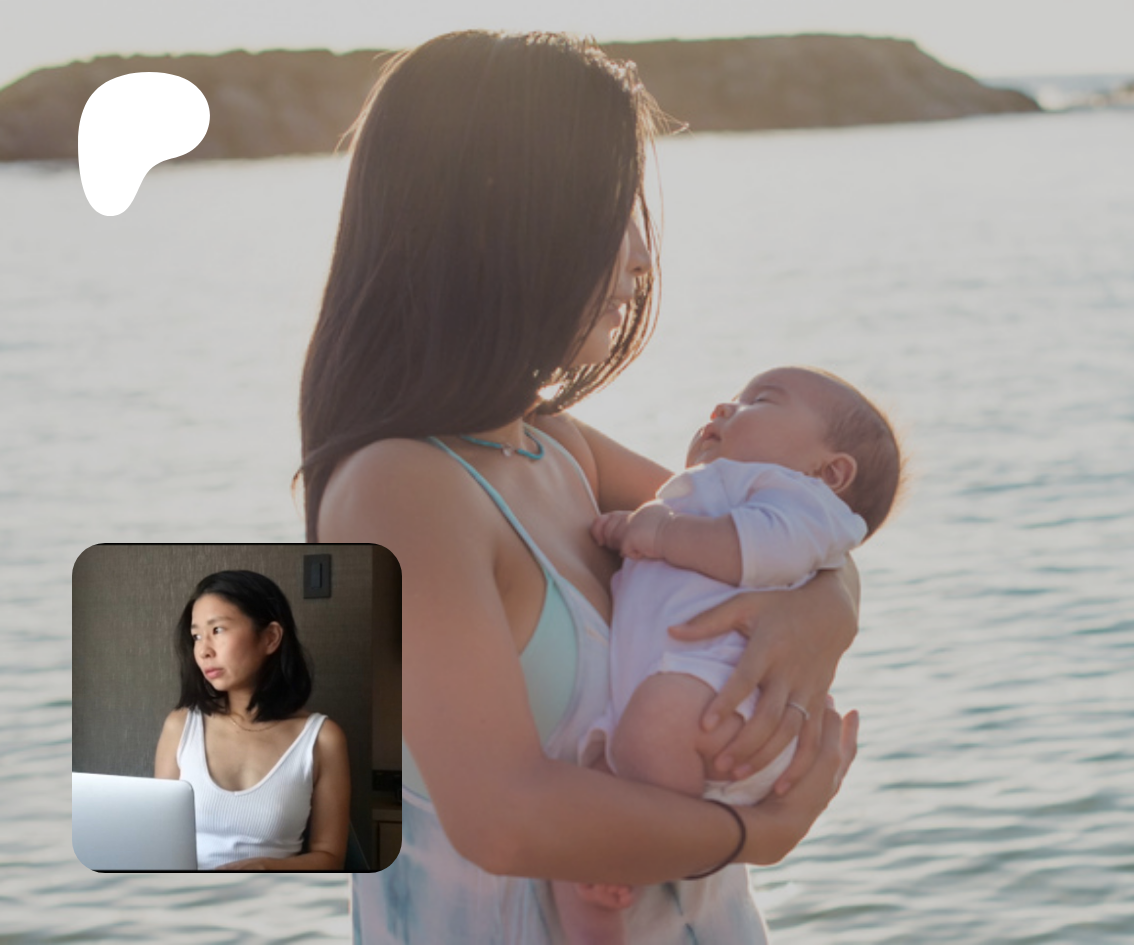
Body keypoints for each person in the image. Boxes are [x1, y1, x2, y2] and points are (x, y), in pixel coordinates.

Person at [298, 30, 860, 943]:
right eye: (611, 204)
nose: (641, 251)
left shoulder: (555, 447)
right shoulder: (400, 489)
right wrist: (754, 834)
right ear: (496, 212)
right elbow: (503, 816)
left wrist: (827, 608)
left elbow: (788, 524)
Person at [556, 366, 903, 942]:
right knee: (591, 789)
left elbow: (772, 546)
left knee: (651, 727)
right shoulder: (714, 494)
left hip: (725, 701)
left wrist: (658, 533)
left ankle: (646, 854)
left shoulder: (793, 497)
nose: (722, 408)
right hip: (698, 699)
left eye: (758, 401)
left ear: (831, 472)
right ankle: (599, 910)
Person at [153, 570, 352, 871]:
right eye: (196, 636)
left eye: (217, 630)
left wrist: (266, 868)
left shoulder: (323, 739)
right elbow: (158, 840)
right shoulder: (180, 726)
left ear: (270, 637)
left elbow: (330, 857)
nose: (204, 650)